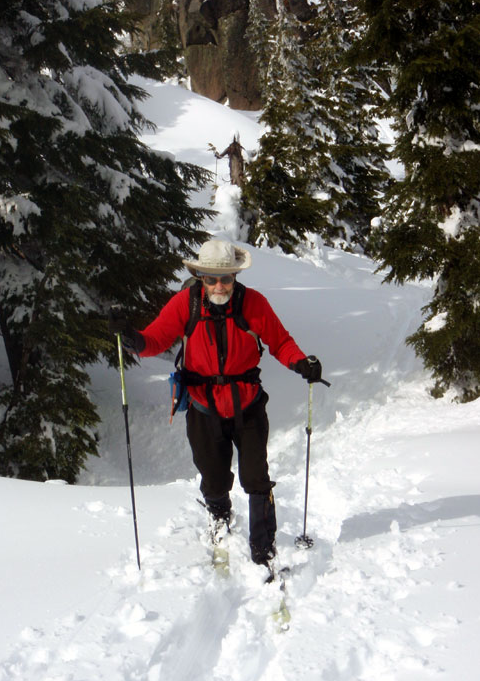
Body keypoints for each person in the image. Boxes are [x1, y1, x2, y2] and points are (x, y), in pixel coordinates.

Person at [108, 239, 324, 572]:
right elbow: (154, 341)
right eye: (211, 278)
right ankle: (219, 517)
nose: (219, 285)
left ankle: (263, 544)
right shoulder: (186, 303)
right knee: (213, 477)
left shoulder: (253, 304)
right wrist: (131, 337)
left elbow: (280, 342)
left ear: (236, 277)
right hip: (202, 406)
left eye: (226, 278)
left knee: (256, 477)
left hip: (247, 403)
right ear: (200, 276)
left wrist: (301, 363)